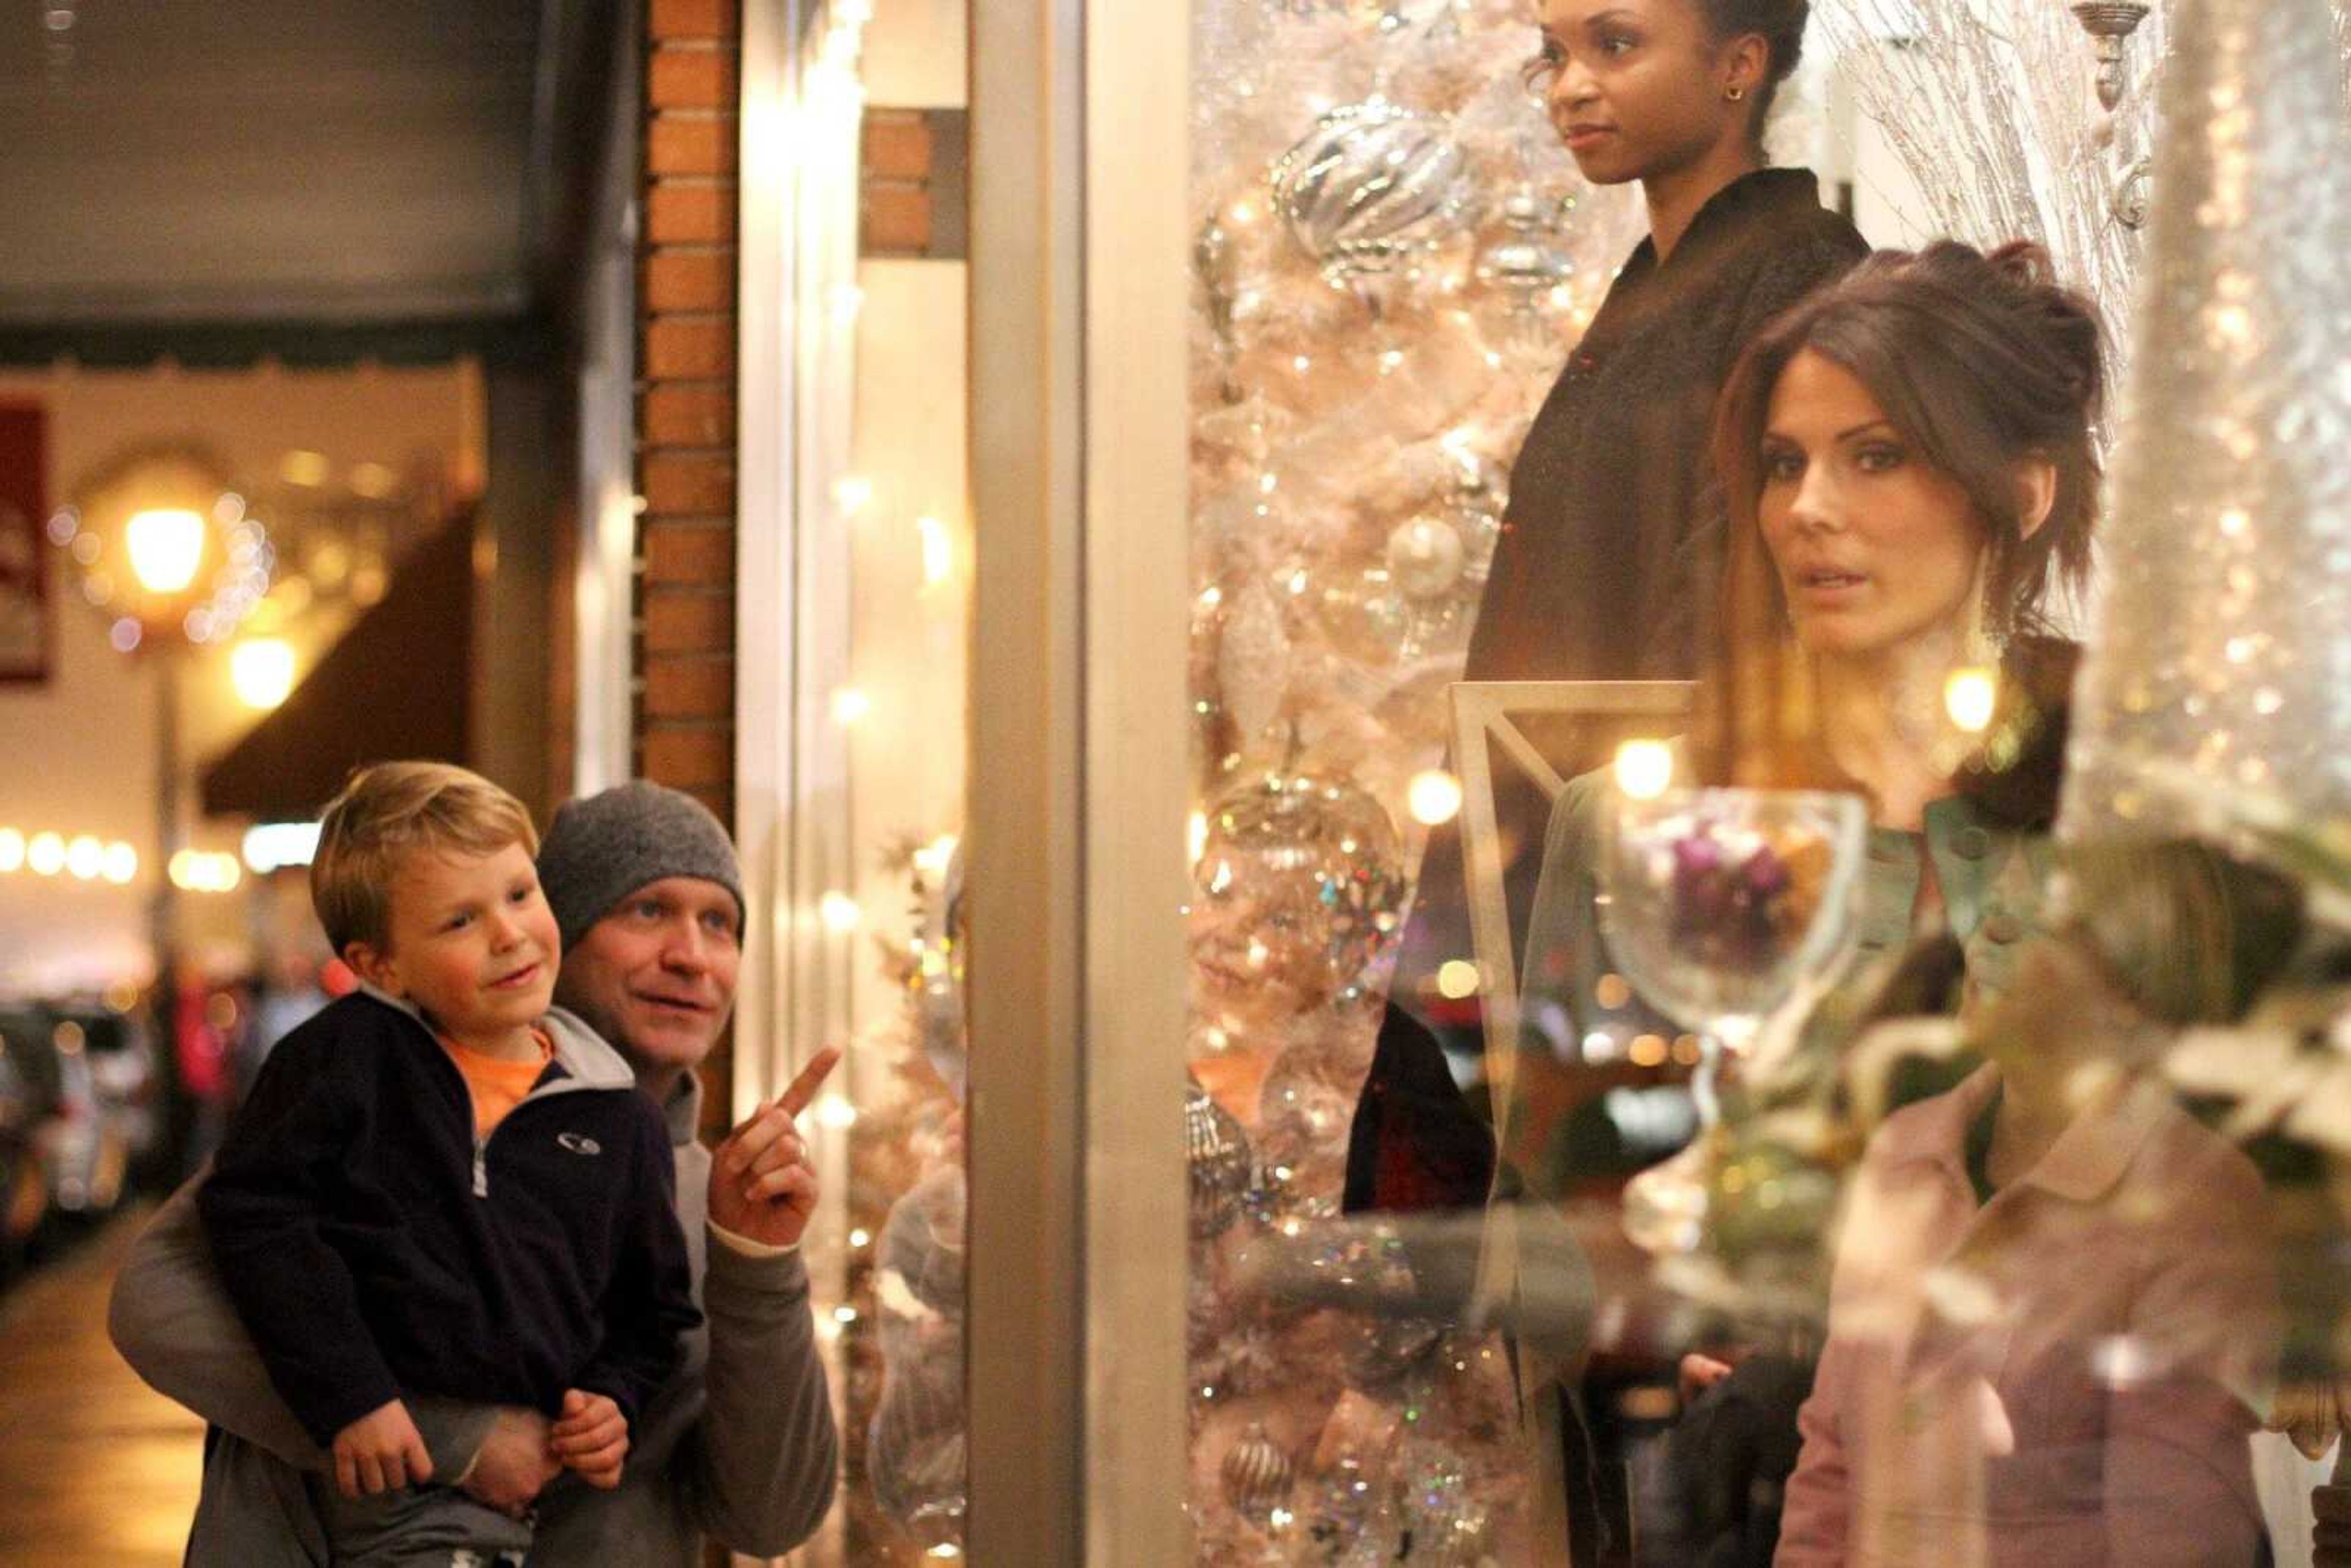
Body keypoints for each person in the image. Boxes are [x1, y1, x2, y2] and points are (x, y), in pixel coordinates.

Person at [1499, 240, 2108, 1562]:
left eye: (1876, 454)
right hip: (1762, 1495)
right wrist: (1645, 1324)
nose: (1809, 508)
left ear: (2019, 485)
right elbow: (1546, 1214)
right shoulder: (1640, 823)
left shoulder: (2128, 816)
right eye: (1785, 462)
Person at [111, 778, 842, 1566]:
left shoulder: (712, 1194)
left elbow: (771, 1518)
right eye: (648, 910)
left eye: (720, 924)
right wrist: (450, 1436)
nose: (692, 956)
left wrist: (758, 1263)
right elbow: (156, 1298)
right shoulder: (372, 1084)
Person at [190, 762, 703, 1566]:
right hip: (322, 1480)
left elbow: (652, 1310)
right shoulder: (339, 1063)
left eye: (519, 894)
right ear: (382, 966)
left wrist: (612, 1398)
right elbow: (257, 1223)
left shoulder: (617, 1114)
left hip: (490, 1507)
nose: (509, 933)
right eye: (460, 921)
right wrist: (351, 1395)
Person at [1775, 840, 2298, 1566]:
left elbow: (2177, 1534)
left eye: (2031, 925)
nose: (1985, 937)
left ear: (2127, 985)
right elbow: (1831, 1460)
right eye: (1991, 912)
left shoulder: (2191, 1192)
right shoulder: (1905, 1147)